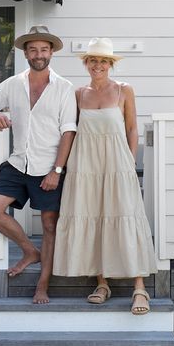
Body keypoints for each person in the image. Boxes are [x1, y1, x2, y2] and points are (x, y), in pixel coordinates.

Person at [53, 37, 156, 314]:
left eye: (103, 61)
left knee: (126, 214)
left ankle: (139, 287)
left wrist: (130, 161)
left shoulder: (124, 90)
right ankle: (102, 283)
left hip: (117, 163)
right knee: (93, 215)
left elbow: (132, 128)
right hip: (85, 164)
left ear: (111, 65)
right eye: (93, 60)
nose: (98, 65)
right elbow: (70, 130)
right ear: (86, 63)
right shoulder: (78, 94)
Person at [0, 26, 77, 304]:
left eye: (44, 49)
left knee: (49, 225)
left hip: (48, 166)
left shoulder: (65, 88)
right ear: (25, 52)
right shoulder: (13, 84)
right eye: (33, 50)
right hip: (18, 162)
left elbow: (69, 131)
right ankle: (29, 251)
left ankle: (42, 286)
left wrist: (57, 170)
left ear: (51, 52)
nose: (39, 54)